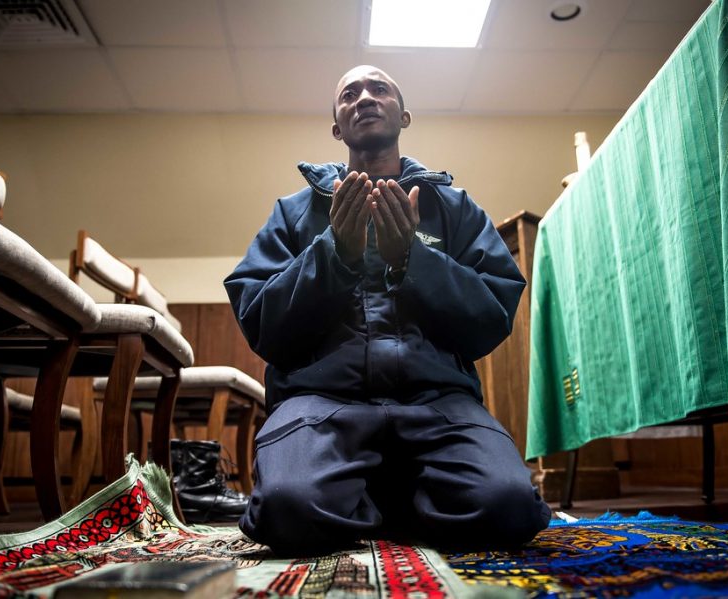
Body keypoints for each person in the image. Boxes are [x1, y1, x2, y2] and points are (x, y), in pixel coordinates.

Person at [223, 65, 551, 557]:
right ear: (337, 125)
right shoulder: (293, 213)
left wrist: (413, 259)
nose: (365, 98)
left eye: (380, 89)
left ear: (404, 113)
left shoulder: (453, 208)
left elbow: (491, 316)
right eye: (349, 93)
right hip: (320, 404)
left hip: (439, 404)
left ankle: (368, 498)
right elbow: (259, 320)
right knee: (287, 507)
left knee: (509, 506)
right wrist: (335, 255)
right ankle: (392, 497)